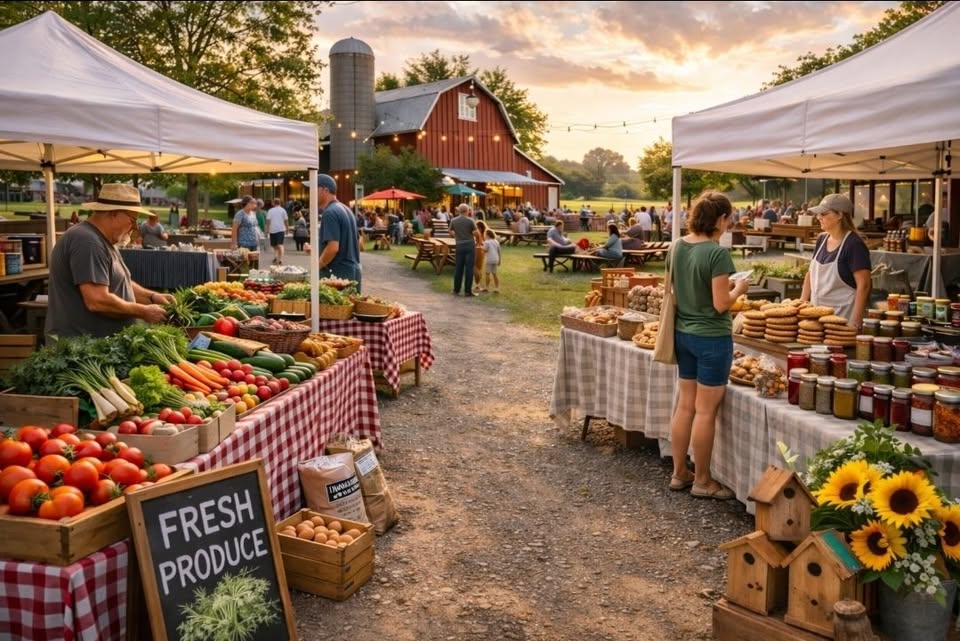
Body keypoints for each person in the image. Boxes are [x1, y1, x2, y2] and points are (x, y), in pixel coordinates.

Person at [668, 191, 751, 500]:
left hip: (682, 334)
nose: (729, 224)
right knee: (705, 412)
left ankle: (679, 473)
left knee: (685, 405)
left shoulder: (677, 246)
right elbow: (720, 304)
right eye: (728, 218)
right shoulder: (717, 253)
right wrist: (738, 288)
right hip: (712, 339)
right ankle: (702, 480)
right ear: (720, 219)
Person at [45, 183, 174, 339]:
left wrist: (152, 297)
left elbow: (118, 282)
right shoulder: (87, 241)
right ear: (114, 214)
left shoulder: (101, 240)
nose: (134, 227)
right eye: (132, 220)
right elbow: (97, 300)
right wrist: (143, 311)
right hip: (84, 352)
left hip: (98, 348)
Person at [801, 194, 872, 329]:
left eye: (823, 213)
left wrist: (855, 322)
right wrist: (801, 305)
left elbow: (864, 285)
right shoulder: (821, 240)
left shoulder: (854, 244)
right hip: (816, 318)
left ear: (840, 215)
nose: (818, 217)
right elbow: (810, 274)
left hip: (842, 319)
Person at [316, 174, 362, 290]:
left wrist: (317, 266)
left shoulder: (330, 213)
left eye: (313, 188)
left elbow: (333, 248)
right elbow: (357, 242)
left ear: (325, 190)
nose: (310, 194)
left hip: (337, 277)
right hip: (353, 272)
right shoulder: (346, 209)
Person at [449, 203, 481, 296]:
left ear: (459, 211)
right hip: (469, 245)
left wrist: (455, 235)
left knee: (458, 268)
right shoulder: (470, 221)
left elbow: (450, 231)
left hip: (459, 245)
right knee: (469, 268)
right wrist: (478, 242)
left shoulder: (453, 220)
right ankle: (468, 291)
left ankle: (456, 290)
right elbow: (476, 233)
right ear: (467, 211)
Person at [265, 198, 289, 265]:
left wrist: (267, 231)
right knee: (276, 245)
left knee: (277, 245)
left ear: (273, 203)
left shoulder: (270, 211)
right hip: (281, 229)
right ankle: (277, 256)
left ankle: (279, 258)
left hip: (273, 230)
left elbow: (268, 221)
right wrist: (287, 228)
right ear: (280, 203)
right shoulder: (283, 210)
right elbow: (286, 220)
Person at [482, 228, 501, 293]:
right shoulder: (496, 241)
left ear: (487, 235)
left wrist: (482, 247)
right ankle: (497, 288)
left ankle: (486, 287)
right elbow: (499, 252)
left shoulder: (487, 242)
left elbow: (485, 250)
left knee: (487, 273)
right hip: (496, 259)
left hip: (489, 259)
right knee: (494, 274)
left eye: (485, 235)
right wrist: (499, 260)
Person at [474, 220, 488, 292]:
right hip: (480, 251)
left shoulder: (478, 235)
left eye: (477, 227)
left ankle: (478, 285)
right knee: (478, 268)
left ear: (480, 228)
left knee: (477, 268)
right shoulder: (483, 236)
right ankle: (478, 285)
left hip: (478, 250)